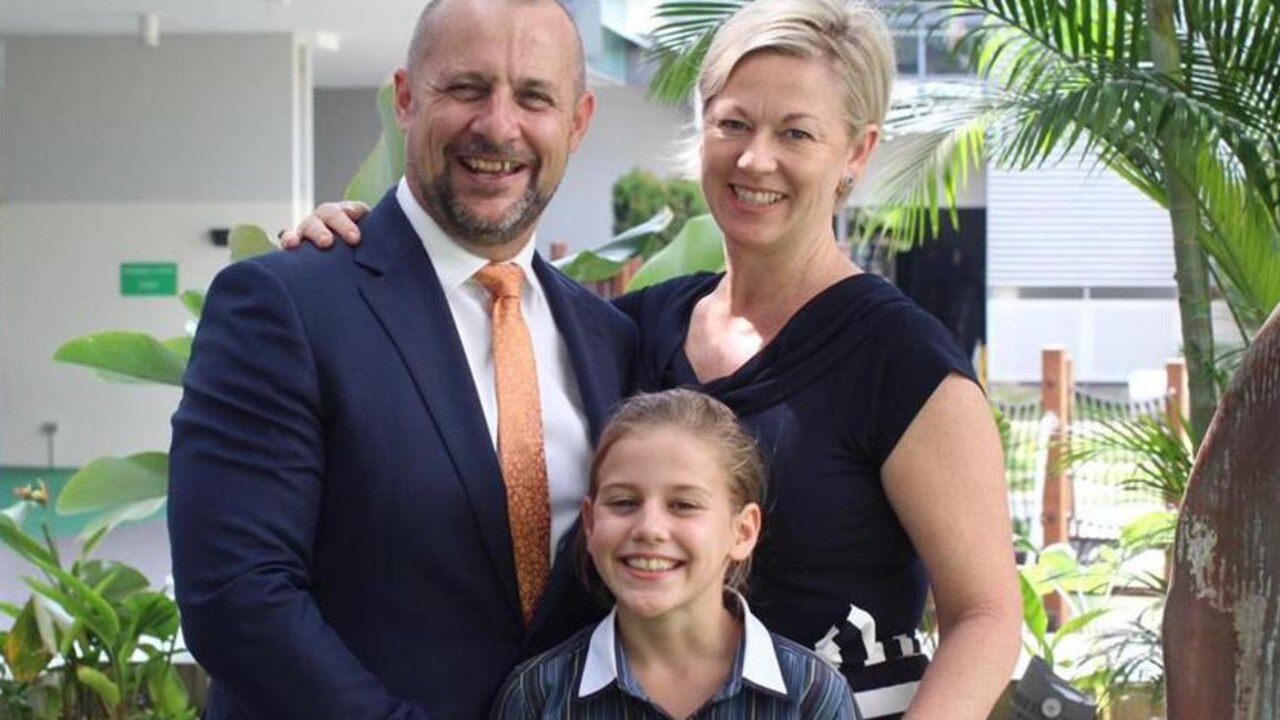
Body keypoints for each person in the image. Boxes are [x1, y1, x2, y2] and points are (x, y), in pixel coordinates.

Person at [288, 1, 1023, 717]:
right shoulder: (631, 328)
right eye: (733, 123)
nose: (755, 157)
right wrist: (368, 247)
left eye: (796, 133)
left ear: (855, 153)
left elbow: (986, 616)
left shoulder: (903, 359)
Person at [167, 1, 636, 719]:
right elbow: (237, 598)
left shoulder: (613, 339)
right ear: (407, 99)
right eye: (467, 87)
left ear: (576, 122)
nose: (498, 124)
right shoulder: (285, 304)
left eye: (534, 96)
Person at [492, 389, 861, 719]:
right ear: (589, 523)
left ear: (743, 531)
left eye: (683, 504)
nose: (649, 527)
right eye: (624, 502)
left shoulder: (810, 696)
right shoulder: (539, 697)